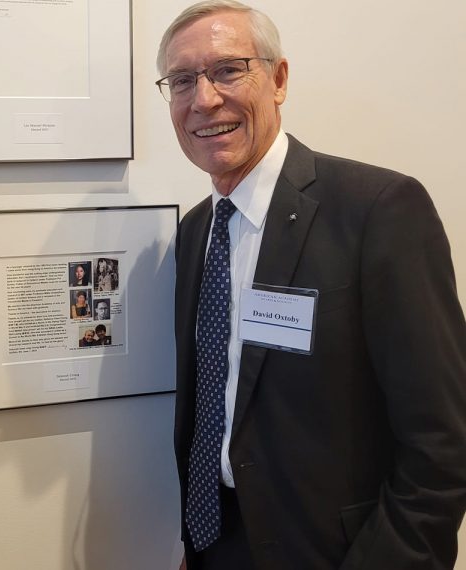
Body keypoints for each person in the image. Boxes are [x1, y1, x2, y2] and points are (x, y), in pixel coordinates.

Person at [158, 2, 466, 569]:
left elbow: (444, 441)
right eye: (182, 80)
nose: (204, 99)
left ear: (277, 80)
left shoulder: (378, 211)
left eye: (228, 70)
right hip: (217, 541)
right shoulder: (196, 230)